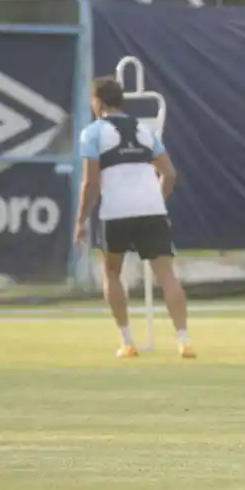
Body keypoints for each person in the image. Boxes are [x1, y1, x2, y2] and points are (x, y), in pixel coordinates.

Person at [73, 75, 195, 359]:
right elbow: (170, 173)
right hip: (151, 209)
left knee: (112, 272)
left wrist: (80, 221)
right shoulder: (143, 130)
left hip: (117, 211)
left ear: (98, 102)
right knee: (167, 275)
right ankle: (184, 340)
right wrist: (156, 201)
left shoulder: (93, 133)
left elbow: (90, 183)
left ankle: (127, 341)